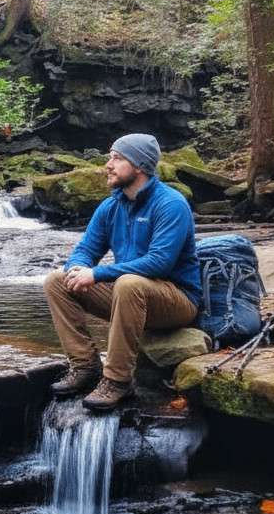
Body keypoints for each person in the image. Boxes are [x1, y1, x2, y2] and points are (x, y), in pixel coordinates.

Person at [42, 133, 201, 412]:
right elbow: (85, 249)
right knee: (57, 280)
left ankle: (117, 380)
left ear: (139, 166)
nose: (108, 164)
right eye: (110, 157)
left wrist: (97, 273)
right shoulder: (110, 206)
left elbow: (159, 263)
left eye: (117, 157)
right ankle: (85, 366)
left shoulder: (171, 204)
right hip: (131, 295)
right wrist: (77, 268)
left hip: (177, 300)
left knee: (128, 283)